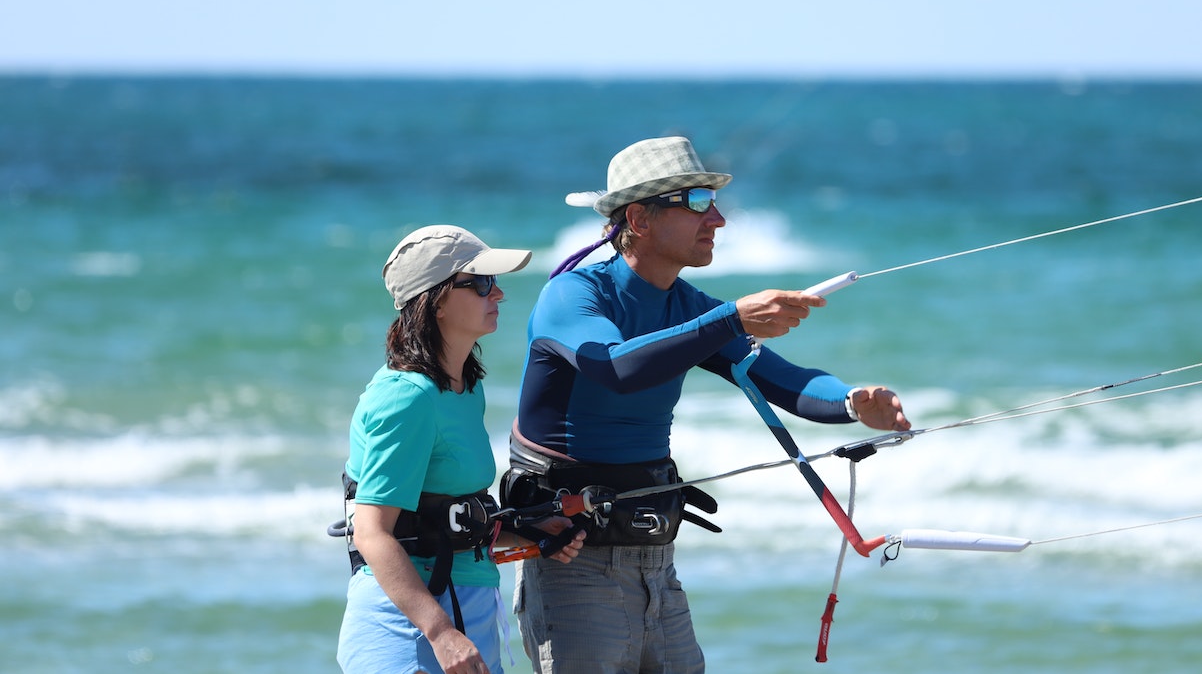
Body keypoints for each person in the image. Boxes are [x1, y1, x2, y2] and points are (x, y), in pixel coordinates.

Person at [503, 136, 911, 674]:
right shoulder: (574, 295)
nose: (717, 219)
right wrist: (730, 319)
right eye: (697, 202)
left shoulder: (690, 306)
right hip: (573, 559)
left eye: (714, 203)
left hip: (656, 560)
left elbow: (784, 382)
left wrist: (854, 403)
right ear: (639, 219)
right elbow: (616, 366)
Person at [337, 225, 585, 674]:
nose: (500, 294)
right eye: (483, 283)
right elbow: (373, 533)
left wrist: (528, 533)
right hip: (408, 628)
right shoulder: (406, 398)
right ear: (435, 301)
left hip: (470, 610)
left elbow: (444, 520)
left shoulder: (465, 389)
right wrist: (440, 633)